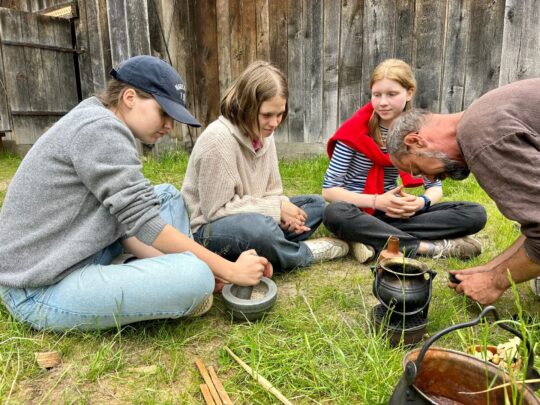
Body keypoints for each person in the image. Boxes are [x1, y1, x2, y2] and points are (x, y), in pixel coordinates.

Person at [0, 55, 269, 331]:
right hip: (39, 285)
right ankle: (178, 279)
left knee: (167, 195)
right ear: (130, 97)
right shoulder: (100, 130)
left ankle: (164, 274)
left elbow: (127, 222)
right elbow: (146, 224)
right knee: (196, 277)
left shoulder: (97, 117)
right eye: (164, 113)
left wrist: (187, 264)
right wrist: (229, 269)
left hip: (72, 246)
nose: (169, 125)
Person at [181, 60, 349, 275]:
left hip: (255, 216)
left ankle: (273, 244)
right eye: (267, 115)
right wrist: (277, 210)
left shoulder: (265, 136)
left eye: (280, 114)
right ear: (246, 107)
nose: (275, 123)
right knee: (261, 231)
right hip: (208, 229)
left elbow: (273, 191)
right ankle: (303, 252)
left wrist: (284, 213)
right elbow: (216, 211)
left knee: (315, 205)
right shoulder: (218, 140)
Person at [386, 78, 540, 305]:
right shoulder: (482, 114)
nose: (429, 179)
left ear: (415, 141)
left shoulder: (480, 138)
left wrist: (494, 281)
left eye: (418, 169)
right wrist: (489, 268)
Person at [322, 59, 486, 263]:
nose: (382, 102)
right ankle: (427, 248)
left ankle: (370, 237)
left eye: (392, 94)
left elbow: (435, 187)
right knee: (334, 213)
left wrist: (420, 203)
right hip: (357, 209)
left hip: (392, 213)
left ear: (409, 93)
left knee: (474, 213)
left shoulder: (417, 131)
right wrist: (376, 201)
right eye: (376, 95)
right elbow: (329, 191)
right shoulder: (353, 131)